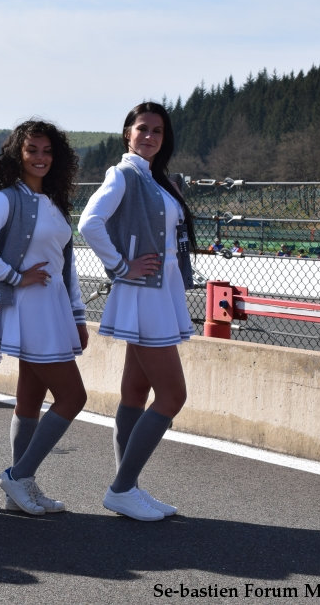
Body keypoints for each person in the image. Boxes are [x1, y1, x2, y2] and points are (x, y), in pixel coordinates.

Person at [77, 101, 197, 522]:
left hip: (159, 291)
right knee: (173, 396)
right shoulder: (124, 173)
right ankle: (121, 489)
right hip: (144, 293)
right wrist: (120, 265)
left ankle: (127, 486)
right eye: (142, 128)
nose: (149, 136)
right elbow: (89, 223)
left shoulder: (155, 177)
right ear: (127, 133)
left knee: (135, 393)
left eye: (157, 131)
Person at [0, 119, 89, 516]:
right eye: (32, 150)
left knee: (30, 400)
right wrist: (14, 276)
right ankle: (18, 476)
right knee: (73, 397)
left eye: (47, 151)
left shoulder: (54, 201)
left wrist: (78, 315)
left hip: (54, 309)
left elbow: (66, 266)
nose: (40, 158)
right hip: (29, 310)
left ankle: (19, 489)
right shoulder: (6, 199)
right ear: (17, 154)